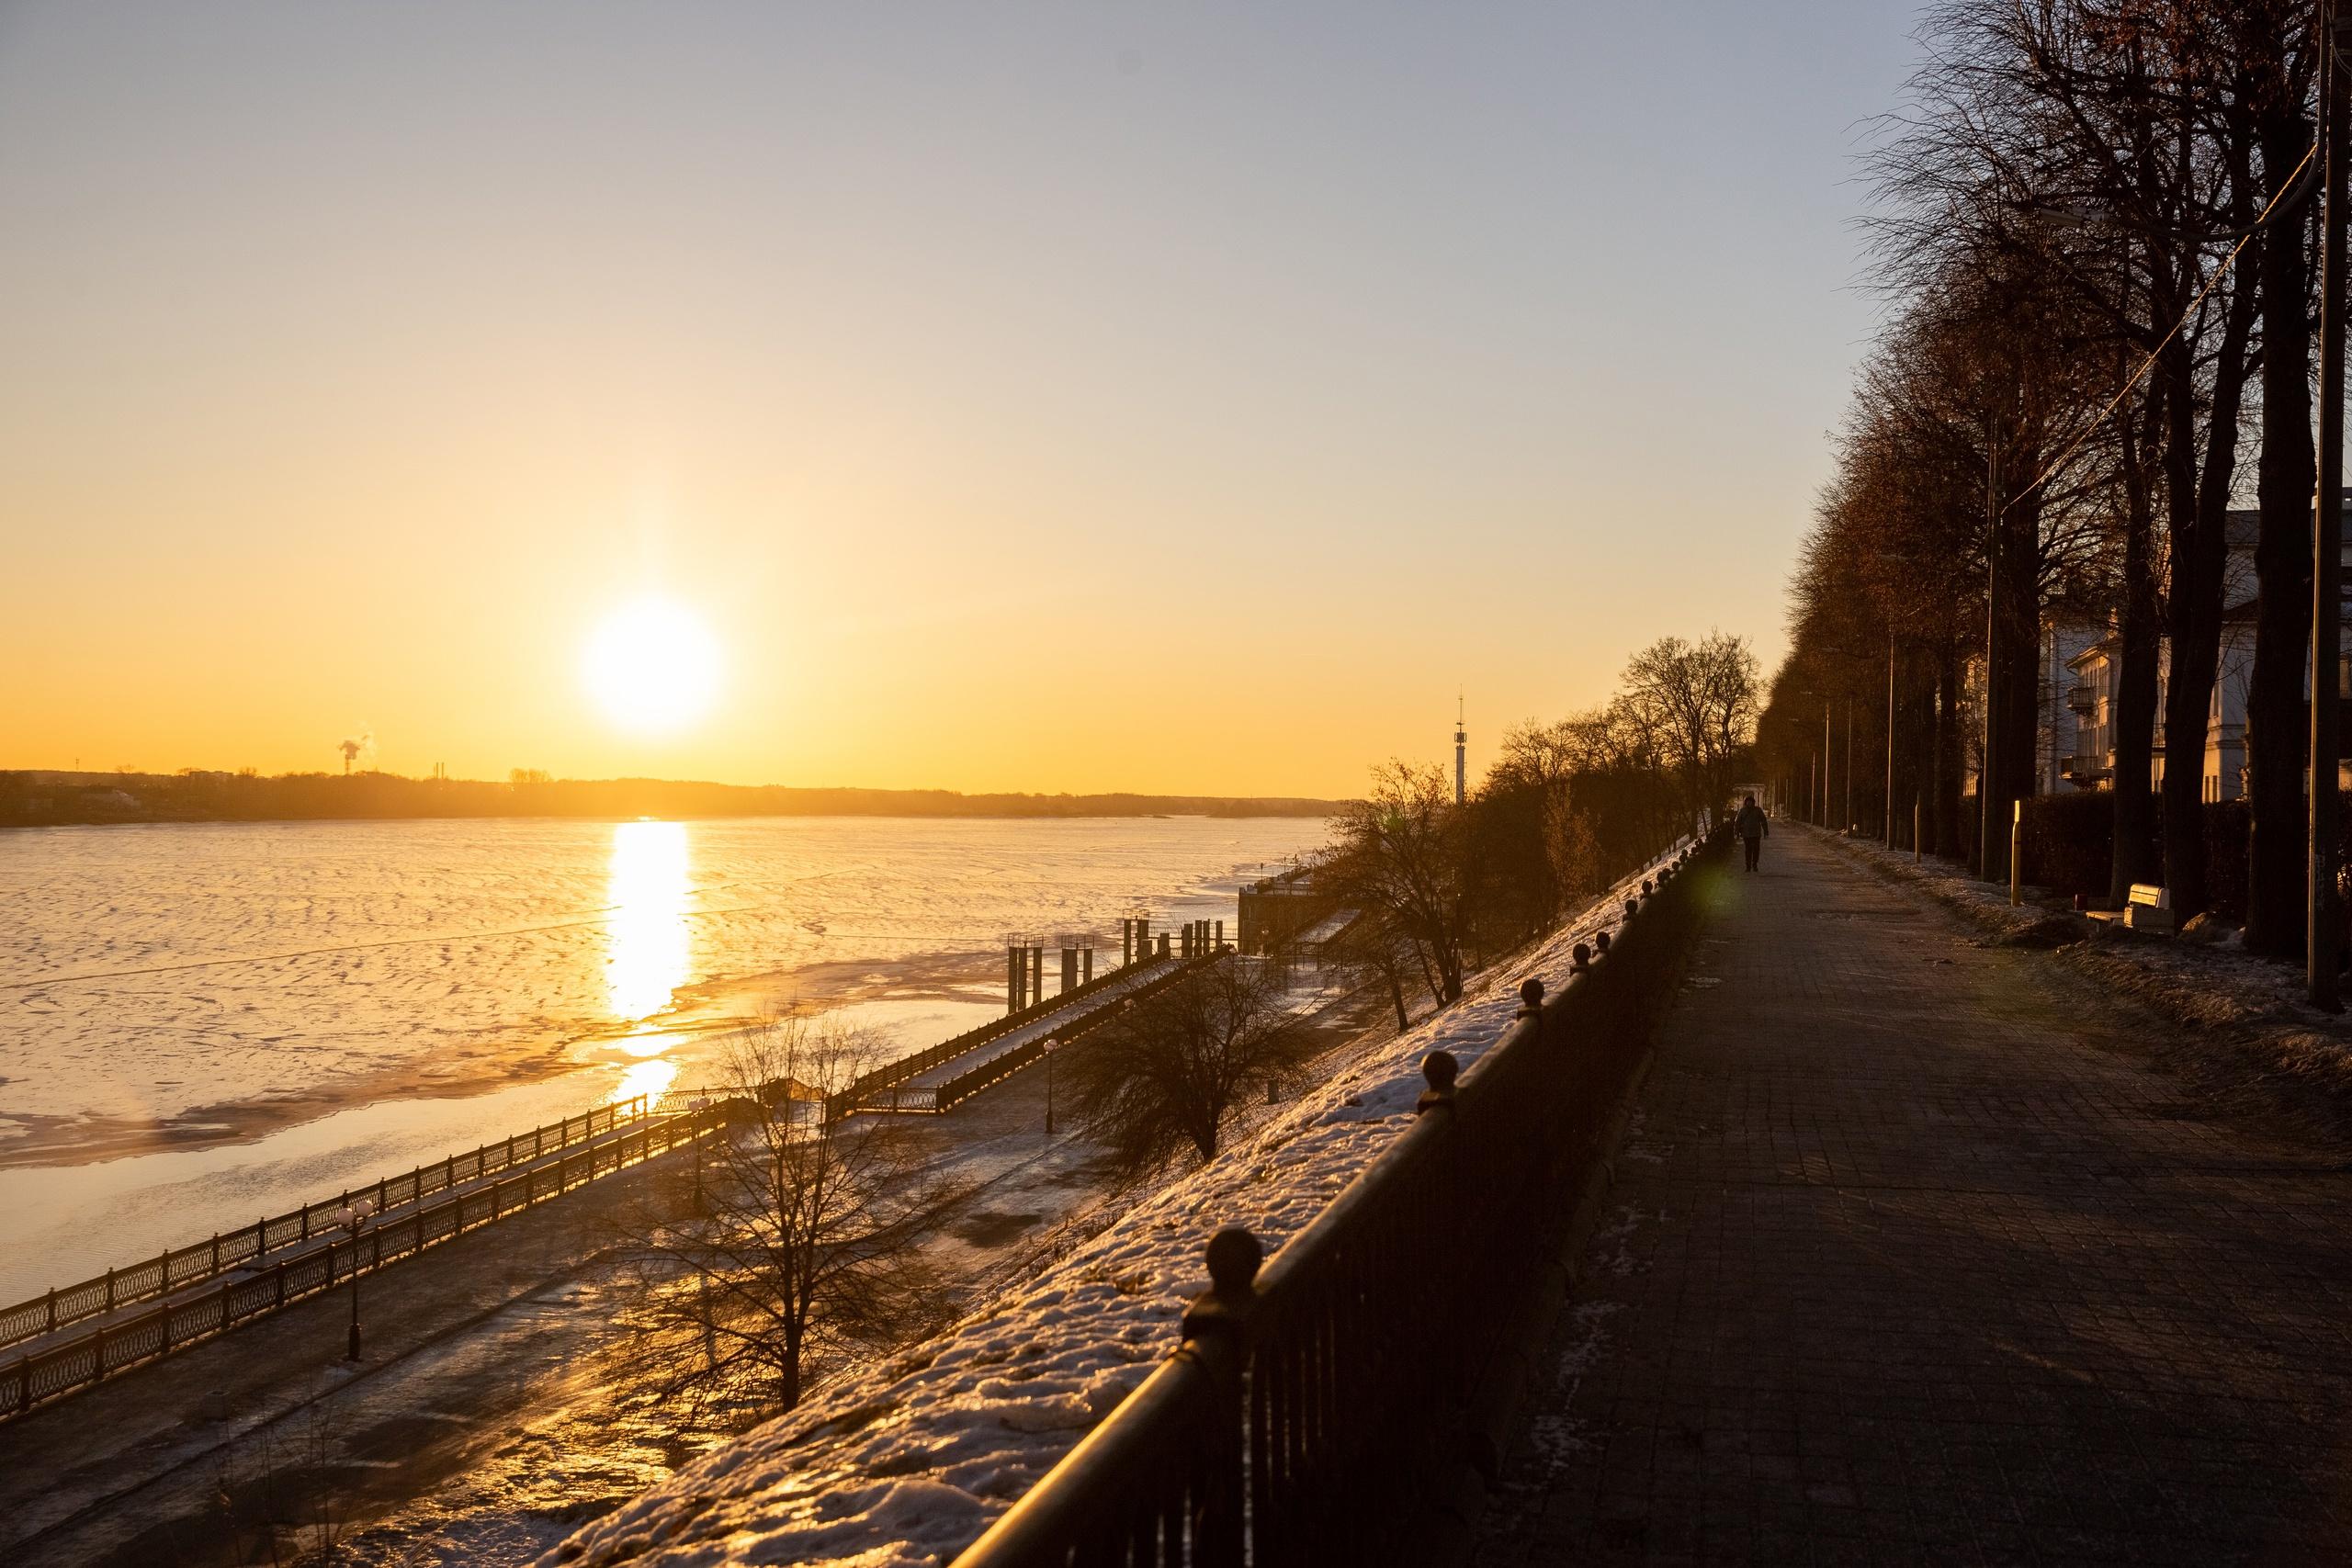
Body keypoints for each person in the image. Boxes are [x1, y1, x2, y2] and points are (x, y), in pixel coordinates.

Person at [1735, 793, 1769, 873]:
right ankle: (1748, 866)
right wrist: (1736, 832)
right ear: (1746, 802)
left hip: (1756, 833)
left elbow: (1763, 820)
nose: (1749, 803)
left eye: (1750, 802)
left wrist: (1766, 831)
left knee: (1756, 850)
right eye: (1747, 802)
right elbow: (1738, 822)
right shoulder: (1743, 811)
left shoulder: (1758, 810)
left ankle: (1755, 864)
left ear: (1753, 802)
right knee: (1748, 850)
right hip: (1746, 834)